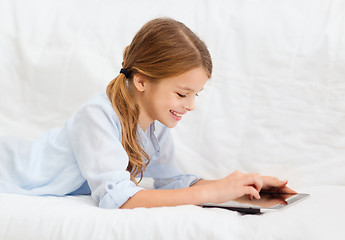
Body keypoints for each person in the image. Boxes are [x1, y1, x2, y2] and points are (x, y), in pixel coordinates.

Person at [0, 18, 294, 209]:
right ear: (141, 81)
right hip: (10, 168)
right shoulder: (96, 116)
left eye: (195, 95)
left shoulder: (157, 124)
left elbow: (173, 181)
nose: (191, 105)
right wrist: (210, 195)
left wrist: (236, 187)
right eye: (182, 93)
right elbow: (118, 199)